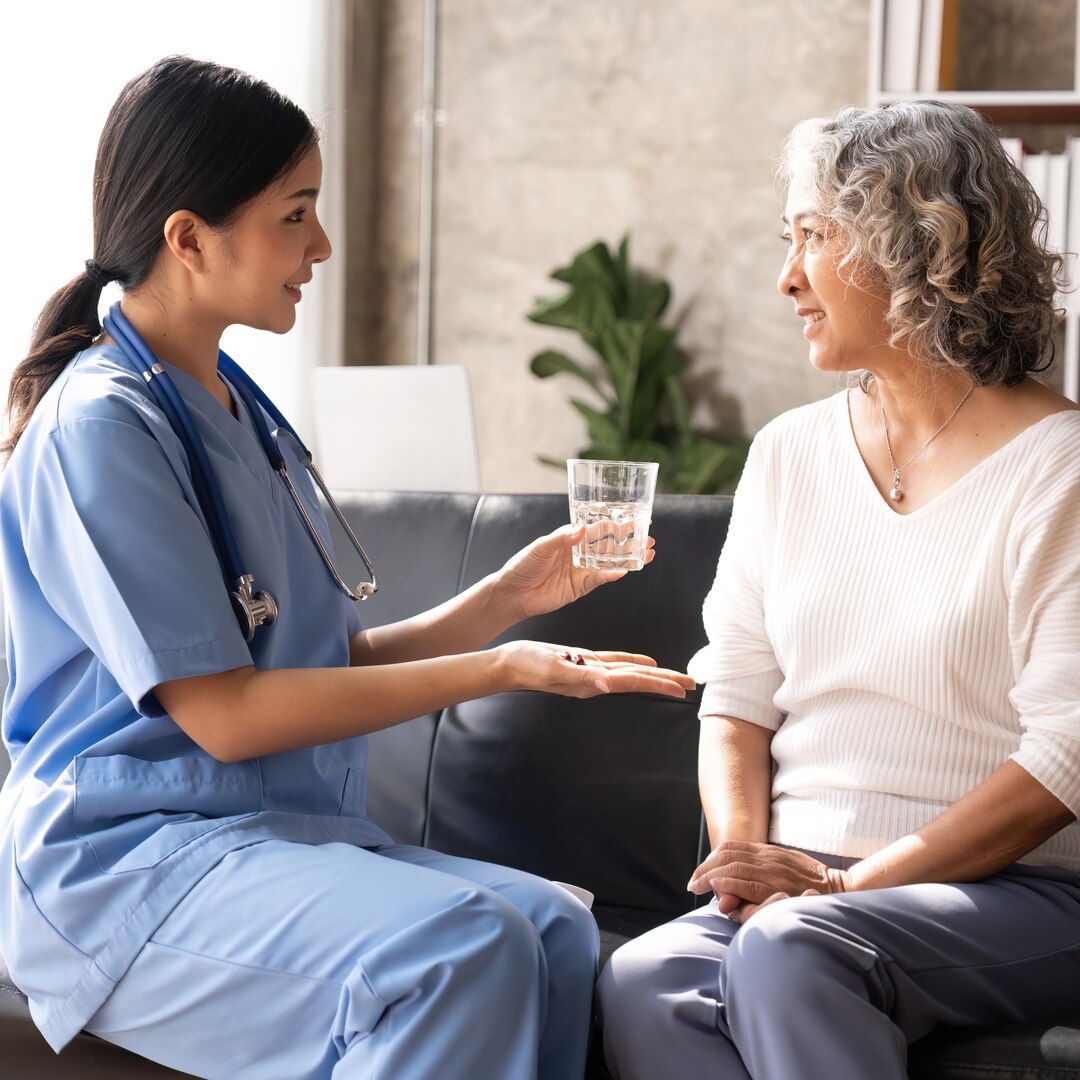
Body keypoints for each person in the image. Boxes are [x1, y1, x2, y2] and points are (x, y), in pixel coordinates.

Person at [0, 56, 695, 1080]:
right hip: (125, 866)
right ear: (190, 238)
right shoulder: (104, 428)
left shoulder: (236, 409)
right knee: (465, 945)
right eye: (295, 214)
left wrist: (511, 601)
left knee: (550, 930)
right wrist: (500, 671)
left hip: (254, 835)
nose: (321, 245)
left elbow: (317, 661)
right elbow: (230, 715)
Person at [597, 99, 1080, 1079]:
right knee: (650, 978)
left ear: (917, 245)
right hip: (807, 889)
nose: (787, 277)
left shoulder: (1059, 468)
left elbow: (1063, 761)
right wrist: (741, 865)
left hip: (1013, 889)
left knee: (794, 950)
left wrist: (843, 886)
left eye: (813, 237)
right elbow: (734, 693)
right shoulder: (788, 454)